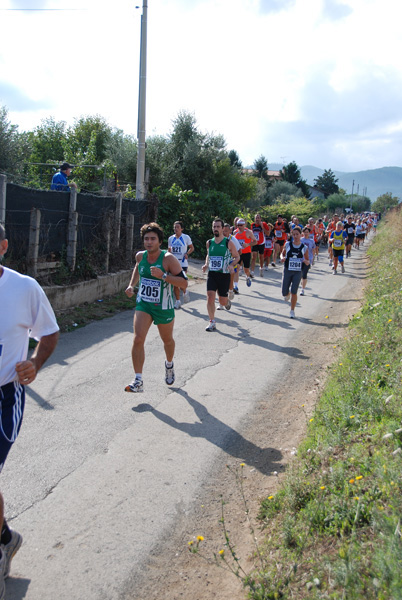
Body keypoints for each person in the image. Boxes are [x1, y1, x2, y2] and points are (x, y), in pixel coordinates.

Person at [0, 224, 59, 594]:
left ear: (3, 246)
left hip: (5, 397)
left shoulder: (23, 288)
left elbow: (49, 332)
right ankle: (6, 538)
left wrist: (35, 363)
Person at [124, 223, 188, 392]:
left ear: (160, 241)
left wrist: (164, 276)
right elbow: (138, 269)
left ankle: (169, 364)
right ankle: (138, 380)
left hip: (164, 307)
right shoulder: (140, 256)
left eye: (153, 239)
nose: (149, 242)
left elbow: (184, 283)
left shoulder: (168, 259)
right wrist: (131, 285)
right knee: (138, 339)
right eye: (146, 239)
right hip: (144, 304)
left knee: (167, 340)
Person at [202, 219, 240, 332]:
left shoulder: (228, 243)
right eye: (214, 226)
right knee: (210, 297)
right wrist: (206, 264)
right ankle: (212, 322)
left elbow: (237, 257)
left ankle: (227, 302)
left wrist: (232, 264)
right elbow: (208, 255)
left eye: (218, 226)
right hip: (212, 274)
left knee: (222, 301)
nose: (216, 229)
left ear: (223, 228)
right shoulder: (209, 242)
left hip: (224, 275)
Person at [280, 226, 309, 319]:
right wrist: (282, 258)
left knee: (294, 292)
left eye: (297, 234)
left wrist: (306, 261)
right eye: (294, 234)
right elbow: (282, 253)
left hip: (298, 271)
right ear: (291, 234)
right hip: (287, 270)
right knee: (284, 292)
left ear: (301, 235)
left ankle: (292, 311)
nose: (295, 236)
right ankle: (287, 294)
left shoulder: (304, 247)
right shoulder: (288, 244)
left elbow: (307, 260)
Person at [168, 221, 194, 309]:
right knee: (175, 283)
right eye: (175, 227)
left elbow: (191, 248)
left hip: (182, 263)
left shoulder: (186, 237)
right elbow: (169, 251)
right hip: (173, 263)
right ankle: (178, 301)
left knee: (182, 282)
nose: (176, 229)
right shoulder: (171, 239)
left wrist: (187, 253)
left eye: (178, 227)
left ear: (181, 229)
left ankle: (185, 291)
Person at [233, 219, 256, 289]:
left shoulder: (248, 232)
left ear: (244, 225)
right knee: (236, 269)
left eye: (241, 225)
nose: (239, 227)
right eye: (238, 225)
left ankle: (248, 277)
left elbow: (255, 241)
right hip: (238, 254)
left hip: (247, 253)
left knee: (246, 269)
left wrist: (248, 244)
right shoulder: (235, 232)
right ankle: (236, 286)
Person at [222, 223, 242, 300]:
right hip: (223, 262)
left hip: (231, 261)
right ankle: (224, 297)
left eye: (226, 231)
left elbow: (240, 251)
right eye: (223, 231)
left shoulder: (233, 239)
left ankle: (234, 287)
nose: (224, 233)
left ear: (230, 231)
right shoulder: (219, 239)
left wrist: (234, 258)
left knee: (233, 273)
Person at [300, 227, 315, 295]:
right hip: (300, 259)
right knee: (299, 274)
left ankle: (302, 289)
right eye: (305, 232)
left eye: (307, 232)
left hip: (308, 260)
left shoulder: (312, 241)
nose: (306, 233)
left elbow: (313, 250)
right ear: (302, 233)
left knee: (304, 274)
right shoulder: (300, 240)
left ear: (309, 233)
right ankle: (302, 284)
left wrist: (312, 259)